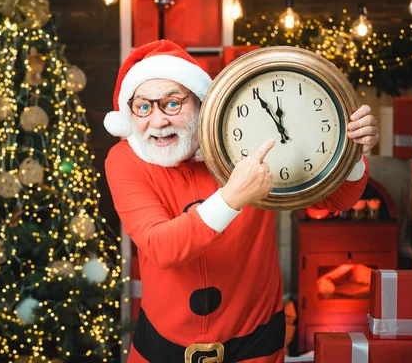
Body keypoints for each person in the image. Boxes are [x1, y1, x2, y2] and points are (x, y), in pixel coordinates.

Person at [103, 40, 379, 363]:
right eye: (144, 107)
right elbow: (161, 246)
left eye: (172, 103)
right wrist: (233, 197)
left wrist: (353, 151)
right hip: (161, 352)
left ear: (200, 103)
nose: (159, 120)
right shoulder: (124, 160)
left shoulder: (243, 141)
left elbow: (339, 199)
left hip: (256, 349)